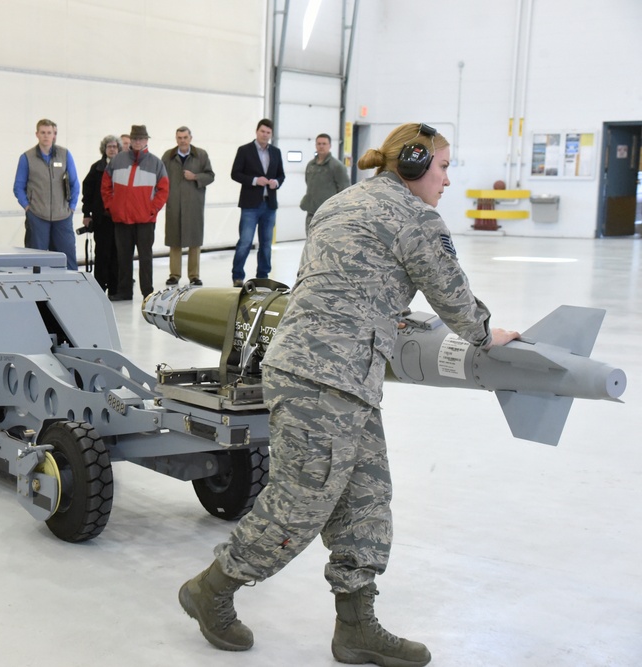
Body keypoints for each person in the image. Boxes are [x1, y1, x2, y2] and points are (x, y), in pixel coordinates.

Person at [178, 123, 522, 666]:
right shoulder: (414, 217)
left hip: (330, 373)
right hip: (325, 378)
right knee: (299, 504)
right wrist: (486, 332)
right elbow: (450, 292)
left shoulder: (338, 204)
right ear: (412, 165)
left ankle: (355, 625)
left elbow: (346, 283)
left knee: (367, 495)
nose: (447, 180)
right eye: (443, 167)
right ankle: (212, 590)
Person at [101, 124, 169, 301]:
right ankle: (125, 291)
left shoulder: (156, 163)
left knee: (145, 257)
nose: (138, 142)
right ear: (130, 140)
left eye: (141, 139)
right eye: (135, 138)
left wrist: (152, 209)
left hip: (145, 220)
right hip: (122, 218)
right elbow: (106, 185)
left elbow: (163, 190)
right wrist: (112, 206)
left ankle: (148, 292)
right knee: (123, 257)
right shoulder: (118, 160)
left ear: (146, 140)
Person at [13, 118, 80, 271]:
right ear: (37, 134)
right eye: (43, 132)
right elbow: (18, 187)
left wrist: (71, 208)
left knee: (67, 259)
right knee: (36, 261)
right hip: (37, 216)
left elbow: (74, 183)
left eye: (49, 133)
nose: (46, 136)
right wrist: (28, 207)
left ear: (53, 134)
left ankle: (70, 289)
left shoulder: (65, 155)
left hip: (62, 216)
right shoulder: (27, 158)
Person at [230, 118, 285, 286]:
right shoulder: (244, 150)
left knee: (266, 244)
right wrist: (254, 180)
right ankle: (238, 276)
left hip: (269, 205)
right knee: (245, 242)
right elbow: (235, 173)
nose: (265, 135)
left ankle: (263, 276)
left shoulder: (275, 152)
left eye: (268, 132)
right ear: (256, 131)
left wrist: (276, 182)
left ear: (271, 134)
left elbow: (281, 175)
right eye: (262, 131)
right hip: (250, 205)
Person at [161, 126, 215, 286]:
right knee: (174, 240)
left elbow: (211, 176)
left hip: (194, 205)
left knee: (194, 241)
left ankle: (194, 275)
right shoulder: (168, 156)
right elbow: (161, 178)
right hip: (174, 204)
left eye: (185, 137)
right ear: (176, 139)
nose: (182, 141)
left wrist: (195, 176)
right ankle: (174, 275)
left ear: (190, 138)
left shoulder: (201, 155)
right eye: (179, 138)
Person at [80, 135, 121, 295]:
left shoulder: (124, 168)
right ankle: (99, 286)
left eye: (114, 146)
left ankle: (115, 287)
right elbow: (87, 192)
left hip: (118, 219)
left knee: (117, 254)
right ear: (104, 149)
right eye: (109, 146)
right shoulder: (96, 168)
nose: (112, 149)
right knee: (102, 253)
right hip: (101, 218)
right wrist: (86, 213)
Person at [300, 133, 350, 235]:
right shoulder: (311, 165)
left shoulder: (337, 166)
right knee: (310, 242)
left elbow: (345, 190)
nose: (321, 146)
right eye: (319, 143)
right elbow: (308, 182)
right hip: (311, 213)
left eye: (324, 143)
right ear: (315, 145)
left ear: (330, 146)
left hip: (328, 214)